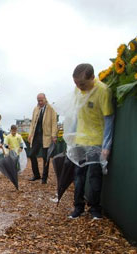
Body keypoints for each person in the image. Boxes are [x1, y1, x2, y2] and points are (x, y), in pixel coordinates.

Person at [68, 63, 114, 219]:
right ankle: (78, 207)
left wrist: (106, 146)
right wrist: (72, 136)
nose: (79, 87)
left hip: (95, 140)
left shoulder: (103, 91)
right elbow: (76, 114)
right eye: (76, 83)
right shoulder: (78, 90)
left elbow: (109, 119)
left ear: (92, 78)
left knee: (94, 175)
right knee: (78, 174)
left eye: (82, 84)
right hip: (80, 139)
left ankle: (94, 208)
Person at [28, 93, 58, 184]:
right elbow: (33, 122)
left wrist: (54, 135)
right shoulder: (36, 109)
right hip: (36, 136)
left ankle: (44, 178)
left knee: (46, 158)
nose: (40, 102)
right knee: (32, 154)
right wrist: (30, 134)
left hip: (46, 136)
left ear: (45, 99)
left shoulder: (51, 109)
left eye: (41, 100)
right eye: (38, 101)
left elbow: (54, 122)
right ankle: (36, 175)